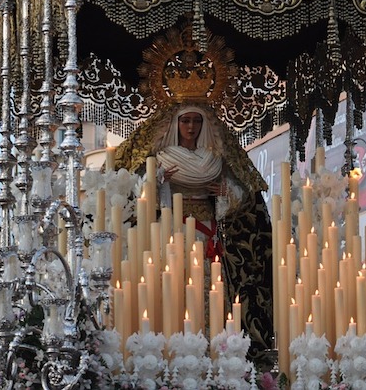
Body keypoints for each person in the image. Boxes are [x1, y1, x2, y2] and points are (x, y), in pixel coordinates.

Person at [114, 102, 274, 359]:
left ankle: (214, 345)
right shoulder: (161, 158)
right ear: (175, 125)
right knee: (174, 283)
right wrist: (157, 182)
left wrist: (225, 193)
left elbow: (241, 196)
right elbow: (138, 194)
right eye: (185, 121)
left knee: (211, 286)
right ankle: (173, 344)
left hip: (208, 230)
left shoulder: (214, 159)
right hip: (172, 229)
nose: (191, 127)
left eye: (196, 121)